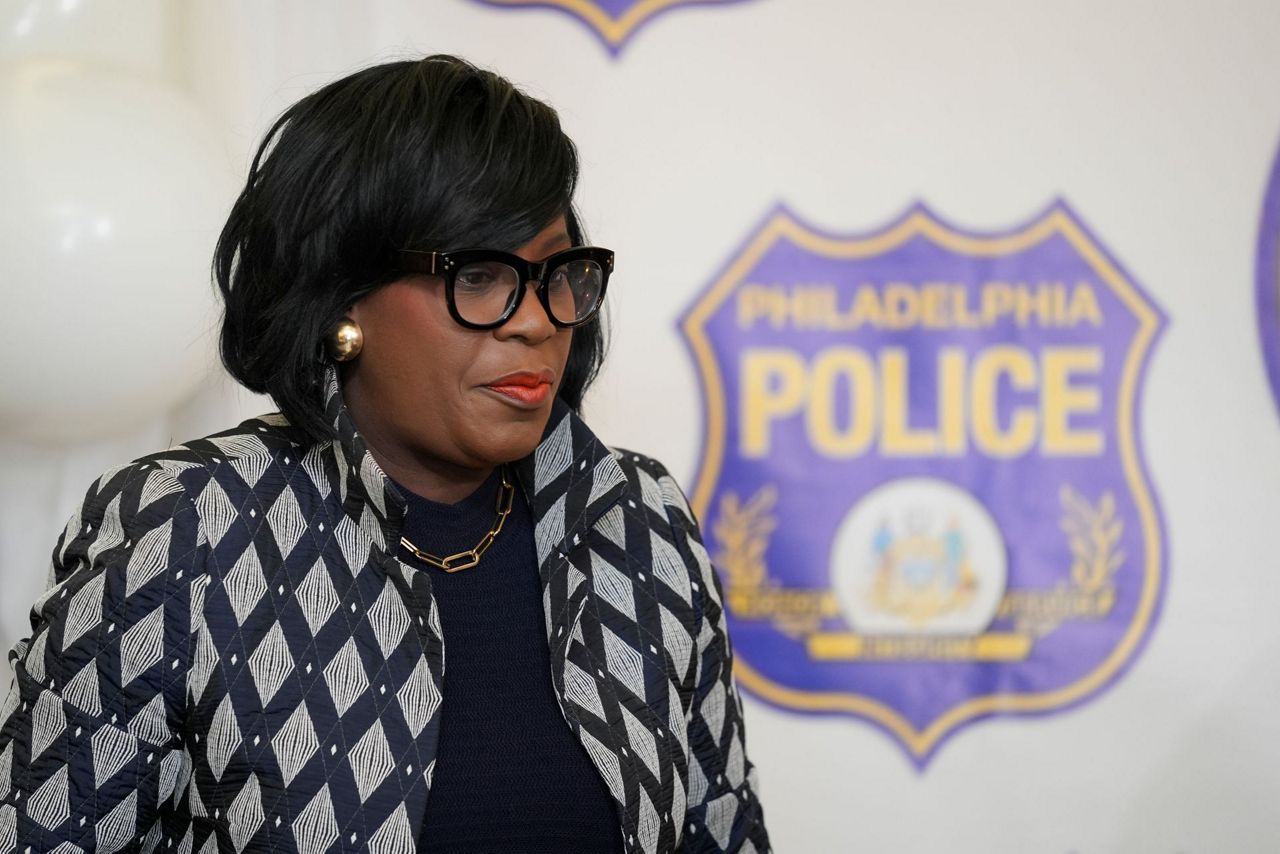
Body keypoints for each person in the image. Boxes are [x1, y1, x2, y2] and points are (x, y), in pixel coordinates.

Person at [0, 55, 769, 853]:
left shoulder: (637, 517)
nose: (538, 321)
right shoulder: (189, 528)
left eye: (558, 274)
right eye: (480, 274)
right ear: (341, 295)